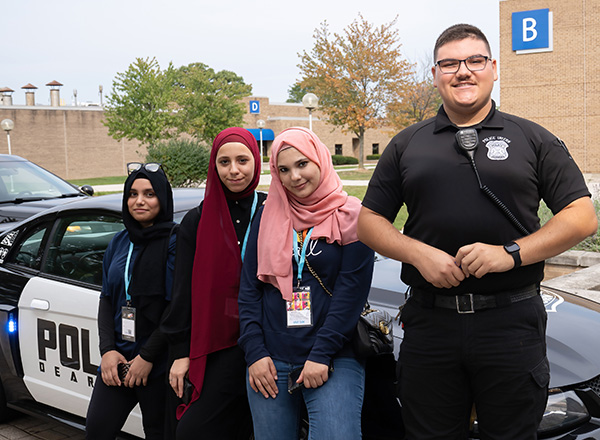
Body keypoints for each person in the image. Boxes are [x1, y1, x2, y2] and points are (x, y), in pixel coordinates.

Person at [357, 23, 598, 440]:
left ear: (494, 68)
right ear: (435, 74)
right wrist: (418, 254)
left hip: (511, 322)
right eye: (449, 63)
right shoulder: (406, 144)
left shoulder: (531, 138)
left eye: (475, 61)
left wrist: (511, 253)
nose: (463, 71)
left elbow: (580, 216)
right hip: (431, 325)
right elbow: (368, 222)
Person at [238, 127, 374, 440]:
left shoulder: (352, 216)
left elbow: (350, 295)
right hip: (269, 360)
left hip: (333, 356)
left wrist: (321, 355)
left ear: (320, 161)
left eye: (302, 164)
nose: (294, 177)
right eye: (283, 170)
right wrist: (255, 354)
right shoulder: (266, 215)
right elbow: (248, 291)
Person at [160, 127, 265, 439]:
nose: (234, 170)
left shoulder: (273, 209)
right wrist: (182, 353)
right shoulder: (197, 219)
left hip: (268, 338)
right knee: (194, 430)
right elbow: (183, 291)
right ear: (214, 166)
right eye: (224, 162)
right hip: (219, 343)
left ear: (256, 161)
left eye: (242, 160)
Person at [86, 162, 177, 440]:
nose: (139, 201)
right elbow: (106, 299)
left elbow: (177, 309)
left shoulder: (176, 241)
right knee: (97, 430)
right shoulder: (119, 241)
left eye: (149, 194)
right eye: (133, 193)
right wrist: (107, 351)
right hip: (119, 359)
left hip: (158, 363)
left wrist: (147, 357)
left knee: (158, 434)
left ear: (162, 197)